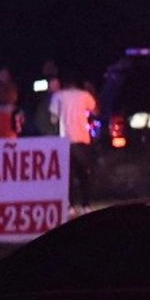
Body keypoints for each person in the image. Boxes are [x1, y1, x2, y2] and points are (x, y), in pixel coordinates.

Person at [50, 74, 98, 213]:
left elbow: (53, 119)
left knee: (68, 175)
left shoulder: (58, 96)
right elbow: (95, 110)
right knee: (83, 174)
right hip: (82, 138)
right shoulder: (85, 95)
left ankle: (70, 205)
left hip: (65, 140)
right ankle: (86, 205)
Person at [0, 67, 24, 138]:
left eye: (4, 74)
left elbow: (13, 98)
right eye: (1, 74)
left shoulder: (12, 86)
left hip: (9, 110)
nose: (2, 76)